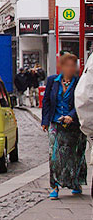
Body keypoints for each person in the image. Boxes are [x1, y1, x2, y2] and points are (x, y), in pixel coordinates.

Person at [41, 53, 87, 199]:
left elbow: (82, 102)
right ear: (61, 66)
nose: (70, 68)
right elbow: (47, 101)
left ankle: (75, 183)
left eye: (73, 66)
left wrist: (71, 116)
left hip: (73, 126)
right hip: (56, 123)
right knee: (54, 156)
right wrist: (45, 121)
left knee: (74, 156)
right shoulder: (52, 81)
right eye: (68, 65)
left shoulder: (79, 82)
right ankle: (54, 186)